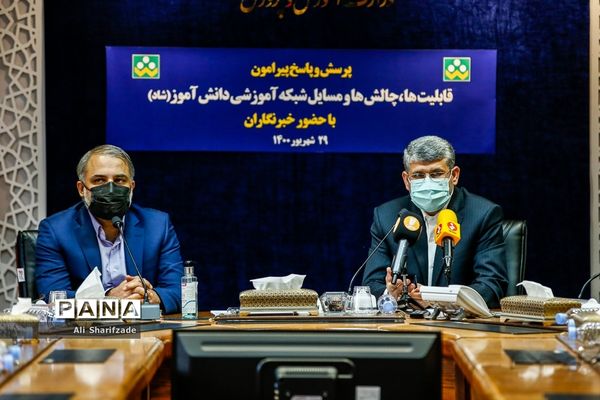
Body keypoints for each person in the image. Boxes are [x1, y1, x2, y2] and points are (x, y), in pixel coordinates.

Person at [361, 136, 508, 308]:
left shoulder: (483, 215)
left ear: (454, 175)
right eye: (418, 175)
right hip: (408, 321)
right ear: (406, 180)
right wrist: (391, 294)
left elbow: (492, 286)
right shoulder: (387, 216)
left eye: (436, 174)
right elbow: (371, 285)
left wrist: (437, 300)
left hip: (459, 321)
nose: (427, 182)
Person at [35, 144, 184, 314]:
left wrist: (149, 296)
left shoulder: (157, 225)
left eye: (119, 180)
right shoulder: (56, 230)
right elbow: (53, 297)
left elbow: (179, 291)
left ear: (131, 187)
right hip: (84, 329)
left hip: (145, 325)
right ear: (81, 189)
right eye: (99, 180)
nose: (111, 189)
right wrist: (108, 299)